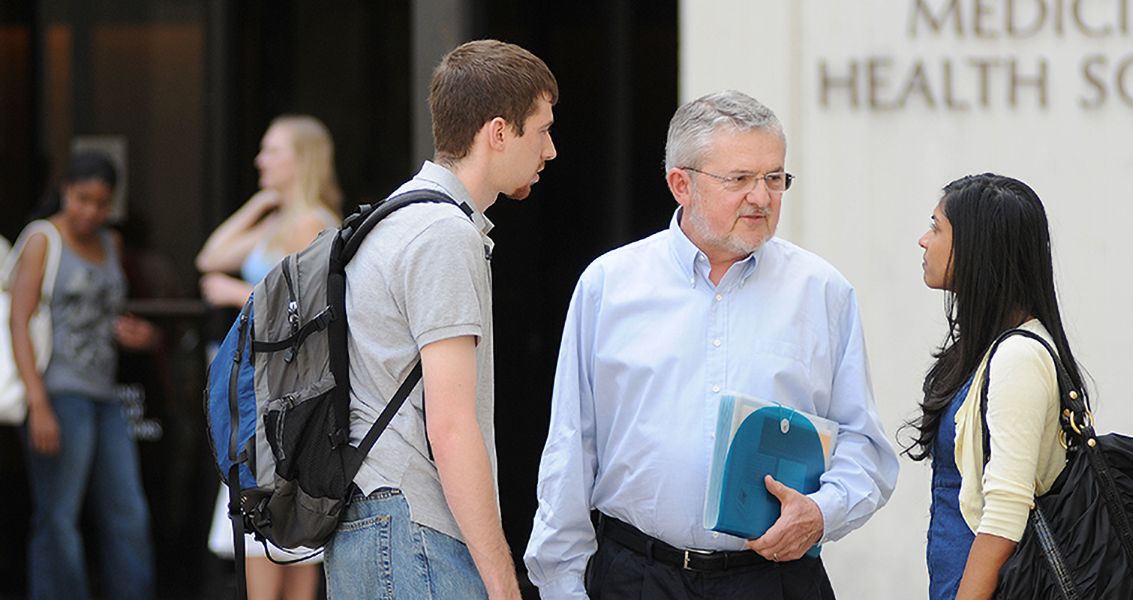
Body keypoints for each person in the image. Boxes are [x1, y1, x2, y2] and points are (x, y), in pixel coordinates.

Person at [525, 90, 898, 599]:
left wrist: (821, 511)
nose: (762, 198)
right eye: (740, 179)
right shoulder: (609, 286)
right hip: (636, 577)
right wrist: (562, 585)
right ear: (682, 184)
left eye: (774, 178)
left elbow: (865, 446)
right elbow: (572, 446)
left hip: (774, 581)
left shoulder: (822, 292)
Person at [322, 39, 557, 600]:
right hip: (413, 528)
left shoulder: (396, 216)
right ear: (498, 132)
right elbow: (451, 428)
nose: (550, 150)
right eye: (543, 129)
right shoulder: (443, 235)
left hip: (372, 521)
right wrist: (503, 582)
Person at [906, 173, 1085, 599]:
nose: (923, 240)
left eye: (936, 227)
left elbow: (1005, 514)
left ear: (976, 247)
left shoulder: (1018, 357)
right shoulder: (989, 349)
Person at [196, 114, 342, 600]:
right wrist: (261, 202)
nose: (260, 160)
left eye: (271, 150)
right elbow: (209, 257)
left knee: (270, 525)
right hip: (264, 391)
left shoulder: (312, 222)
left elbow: (301, 310)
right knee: (274, 527)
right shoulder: (284, 218)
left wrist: (234, 293)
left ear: (300, 159)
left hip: (277, 393)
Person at [9, 151, 158, 600]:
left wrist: (140, 336)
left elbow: (106, 316)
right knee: (58, 517)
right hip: (57, 393)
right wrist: (38, 403)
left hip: (105, 393)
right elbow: (18, 321)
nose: (90, 210)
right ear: (65, 191)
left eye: (101, 202)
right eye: (81, 198)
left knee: (127, 513)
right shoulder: (42, 239)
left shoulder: (110, 243)